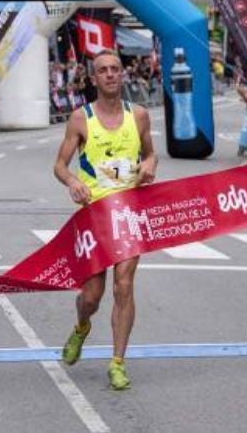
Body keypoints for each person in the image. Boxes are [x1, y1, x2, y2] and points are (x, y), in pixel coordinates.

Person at [52, 50, 157, 391]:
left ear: (122, 75)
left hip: (128, 212)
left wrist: (150, 165)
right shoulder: (81, 119)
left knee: (124, 285)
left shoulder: (139, 115)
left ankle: (117, 362)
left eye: (115, 69)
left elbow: (150, 152)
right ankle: (82, 327)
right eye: (103, 71)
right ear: (93, 79)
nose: (111, 74)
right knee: (92, 297)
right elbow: (60, 165)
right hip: (94, 216)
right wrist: (73, 182)